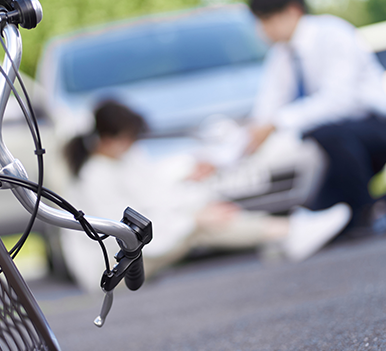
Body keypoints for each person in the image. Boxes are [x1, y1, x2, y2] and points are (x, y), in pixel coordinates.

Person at [60, 100, 351, 293]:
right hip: (109, 270)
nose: (133, 144)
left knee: (204, 212)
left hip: (130, 255)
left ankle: (283, 234)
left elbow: (154, 196)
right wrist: (193, 217)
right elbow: (125, 233)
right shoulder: (95, 176)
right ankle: (288, 232)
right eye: (128, 138)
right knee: (200, 225)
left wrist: (191, 190)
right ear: (109, 139)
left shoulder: (117, 160)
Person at [245, 0, 386, 237]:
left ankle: (370, 212)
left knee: (323, 132)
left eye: (266, 20)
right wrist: (230, 151)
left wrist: (277, 122)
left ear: (293, 11)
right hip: (333, 150)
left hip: (373, 132)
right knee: (324, 216)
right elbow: (265, 110)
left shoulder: (333, 34)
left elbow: (339, 103)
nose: (263, 31)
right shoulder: (281, 57)